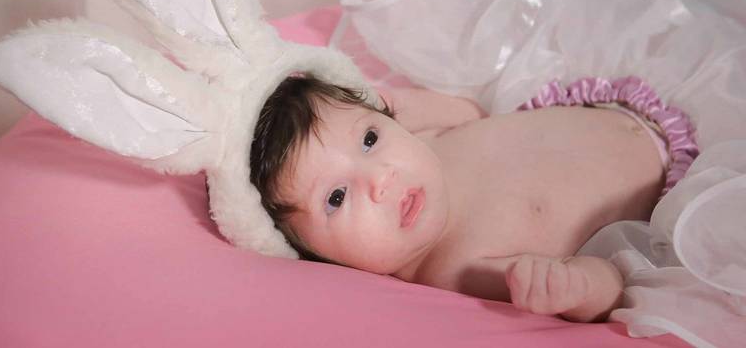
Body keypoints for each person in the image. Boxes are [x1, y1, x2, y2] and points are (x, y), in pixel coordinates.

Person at [249, 73, 697, 323]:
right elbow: (612, 282)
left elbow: (470, 112)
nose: (380, 179)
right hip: (683, 179)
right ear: (316, 257)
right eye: (337, 197)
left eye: (368, 139)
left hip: (624, 98)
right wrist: (572, 287)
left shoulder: (420, 140)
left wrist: (392, 99)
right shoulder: (459, 268)